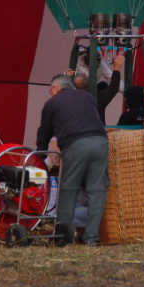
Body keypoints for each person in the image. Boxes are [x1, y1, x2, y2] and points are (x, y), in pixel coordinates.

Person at [37, 74, 109, 245]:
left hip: (76, 144)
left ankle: (63, 237)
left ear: (55, 88)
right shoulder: (88, 97)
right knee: (97, 191)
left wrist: (40, 159)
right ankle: (91, 238)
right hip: (101, 142)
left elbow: (44, 135)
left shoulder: (52, 103)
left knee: (69, 189)